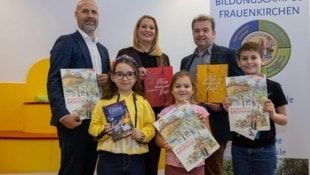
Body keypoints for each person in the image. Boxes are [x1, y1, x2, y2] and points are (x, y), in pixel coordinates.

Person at [47, 0, 110, 174]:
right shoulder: (66, 42)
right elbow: (54, 80)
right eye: (85, 11)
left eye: (94, 12)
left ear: (98, 17)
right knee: (71, 169)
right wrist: (62, 115)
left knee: (89, 168)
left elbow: (108, 87)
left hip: (96, 120)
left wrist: (108, 80)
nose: (90, 16)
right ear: (76, 15)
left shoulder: (103, 50)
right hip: (74, 119)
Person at [180, 14, 243, 175]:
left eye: (205, 30)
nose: (201, 34)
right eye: (196, 31)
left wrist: (222, 105)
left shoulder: (228, 54)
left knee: (212, 169)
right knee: (191, 167)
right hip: (190, 123)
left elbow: (239, 87)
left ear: (213, 33)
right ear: (192, 34)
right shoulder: (186, 60)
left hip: (216, 122)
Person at [222, 41, 288, 175]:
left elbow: (284, 119)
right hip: (239, 148)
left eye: (253, 57)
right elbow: (233, 123)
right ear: (238, 62)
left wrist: (273, 114)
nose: (249, 62)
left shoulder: (274, 87)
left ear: (262, 60)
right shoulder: (233, 88)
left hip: (265, 149)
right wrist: (229, 110)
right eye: (244, 59)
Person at [117, 15, 170, 175]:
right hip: (130, 114)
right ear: (137, 30)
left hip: (155, 116)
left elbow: (167, 87)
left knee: (151, 161)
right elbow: (115, 79)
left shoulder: (163, 58)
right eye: (144, 26)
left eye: (151, 27)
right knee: (130, 161)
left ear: (156, 32)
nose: (148, 30)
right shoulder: (125, 54)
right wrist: (133, 74)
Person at [88, 55, 156, 175]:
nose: (125, 79)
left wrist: (142, 134)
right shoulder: (103, 102)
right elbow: (93, 128)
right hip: (109, 158)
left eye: (130, 74)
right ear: (113, 77)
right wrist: (104, 130)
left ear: (136, 77)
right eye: (120, 74)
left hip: (136, 159)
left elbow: (150, 127)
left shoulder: (143, 102)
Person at [155, 71, 211, 175]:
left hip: (197, 164)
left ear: (193, 89)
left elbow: (209, 138)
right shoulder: (164, 114)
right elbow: (158, 139)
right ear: (171, 90)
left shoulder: (200, 111)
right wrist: (164, 144)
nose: (182, 89)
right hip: (173, 165)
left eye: (186, 86)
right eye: (177, 86)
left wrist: (201, 125)